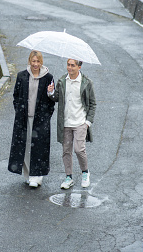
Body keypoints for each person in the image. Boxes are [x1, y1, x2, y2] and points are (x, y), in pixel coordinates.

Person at [8, 50, 55, 188]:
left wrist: (51, 92)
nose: (35, 64)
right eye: (33, 61)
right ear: (29, 61)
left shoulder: (48, 77)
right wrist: (19, 110)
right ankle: (28, 174)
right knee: (26, 145)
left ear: (41, 62)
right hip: (24, 117)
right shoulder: (22, 76)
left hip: (40, 119)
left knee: (39, 147)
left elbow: (53, 99)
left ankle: (37, 175)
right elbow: (16, 96)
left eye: (38, 61)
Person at [47, 58, 96, 189]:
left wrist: (88, 122)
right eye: (68, 65)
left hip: (80, 122)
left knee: (79, 149)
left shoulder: (86, 83)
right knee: (66, 151)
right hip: (66, 122)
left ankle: (85, 172)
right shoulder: (62, 81)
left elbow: (92, 104)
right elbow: (56, 98)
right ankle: (69, 177)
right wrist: (51, 92)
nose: (69, 68)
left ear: (79, 67)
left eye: (73, 65)